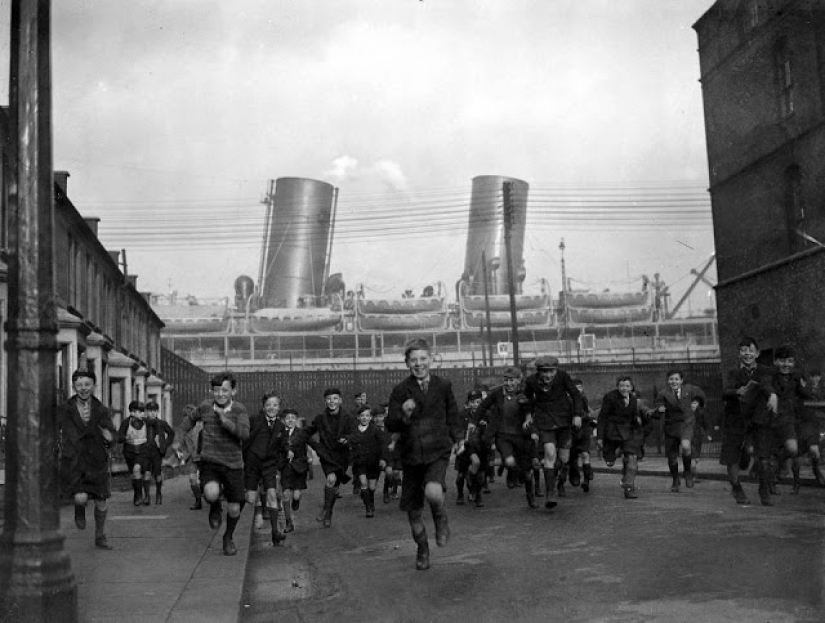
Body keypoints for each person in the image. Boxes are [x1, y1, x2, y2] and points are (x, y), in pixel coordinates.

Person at [386, 338, 461, 571]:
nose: (419, 364)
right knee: (414, 513)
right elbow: (391, 424)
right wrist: (404, 414)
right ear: (407, 363)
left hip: (437, 449)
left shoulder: (443, 385)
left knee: (433, 490)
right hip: (410, 455)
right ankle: (422, 549)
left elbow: (453, 414)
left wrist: (459, 439)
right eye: (413, 360)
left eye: (422, 359)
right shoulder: (400, 391)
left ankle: (440, 518)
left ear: (431, 359)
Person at [174, 372, 250, 556]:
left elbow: (245, 434)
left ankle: (228, 537)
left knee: (234, 509)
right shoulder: (205, 406)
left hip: (233, 464)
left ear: (234, 391)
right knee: (210, 493)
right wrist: (178, 440)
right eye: (217, 390)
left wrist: (226, 423)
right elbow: (187, 422)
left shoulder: (239, 410)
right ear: (212, 391)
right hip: (210, 461)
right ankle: (215, 506)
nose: (221, 394)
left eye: (225, 390)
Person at [56, 369, 117, 549]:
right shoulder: (65, 409)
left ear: (94, 386)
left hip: (96, 460)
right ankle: (79, 510)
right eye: (79, 385)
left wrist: (110, 436)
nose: (84, 388)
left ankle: (100, 536)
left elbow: (112, 433)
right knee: (81, 497)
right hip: (73, 460)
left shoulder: (101, 409)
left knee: (101, 500)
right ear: (74, 386)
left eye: (87, 384)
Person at [523, 356, 583, 504]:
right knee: (550, 452)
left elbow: (576, 395)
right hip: (544, 420)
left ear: (556, 370)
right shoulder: (531, 381)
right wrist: (528, 415)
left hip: (564, 420)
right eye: (544, 372)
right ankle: (550, 493)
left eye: (551, 371)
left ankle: (557, 477)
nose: (548, 375)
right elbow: (527, 399)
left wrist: (577, 415)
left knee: (563, 458)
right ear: (539, 372)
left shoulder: (563, 376)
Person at [718, 337, 771, 504]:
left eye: (750, 350)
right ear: (739, 353)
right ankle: (736, 487)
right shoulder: (734, 373)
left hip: (757, 420)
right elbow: (725, 392)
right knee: (732, 457)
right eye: (743, 350)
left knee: (763, 457)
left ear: (757, 353)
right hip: (735, 419)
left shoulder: (765, 371)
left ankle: (764, 488)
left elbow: (769, 385)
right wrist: (737, 391)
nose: (747, 354)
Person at [478, 366, 539, 509]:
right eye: (506, 380)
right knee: (510, 460)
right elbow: (482, 407)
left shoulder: (525, 395)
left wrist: (531, 426)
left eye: (512, 380)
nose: (509, 383)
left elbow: (532, 411)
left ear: (519, 381)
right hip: (503, 435)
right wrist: (473, 422)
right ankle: (511, 472)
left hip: (521, 437)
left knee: (528, 473)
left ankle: (531, 497)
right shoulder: (497, 394)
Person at [304, 387, 356, 528]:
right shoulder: (320, 418)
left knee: (335, 487)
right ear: (325, 401)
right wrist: (316, 446)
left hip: (342, 456)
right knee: (331, 479)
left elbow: (355, 433)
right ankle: (327, 513)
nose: (332, 401)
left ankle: (327, 509)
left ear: (340, 400)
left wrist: (347, 439)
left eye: (335, 398)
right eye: (329, 399)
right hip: (327, 456)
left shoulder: (348, 418)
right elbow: (307, 432)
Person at [243, 391, 286, 546]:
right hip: (252, 464)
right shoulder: (254, 420)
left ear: (279, 407)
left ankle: (275, 532)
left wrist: (285, 457)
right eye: (268, 405)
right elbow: (244, 439)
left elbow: (283, 447)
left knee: (272, 495)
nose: (271, 408)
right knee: (250, 497)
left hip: (269, 465)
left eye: (275, 405)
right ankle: (251, 526)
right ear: (263, 407)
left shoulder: (281, 426)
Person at [653, 370, 706, 492]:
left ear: (681, 381)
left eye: (676, 379)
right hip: (671, 426)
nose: (674, 382)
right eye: (671, 379)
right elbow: (658, 404)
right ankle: (675, 479)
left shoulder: (690, 389)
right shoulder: (663, 393)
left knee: (686, 446)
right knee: (672, 458)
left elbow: (701, 395)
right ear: (668, 381)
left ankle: (687, 472)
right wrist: (660, 408)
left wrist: (696, 402)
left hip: (686, 423)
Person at [597, 376, 649, 499]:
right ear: (617, 386)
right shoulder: (610, 397)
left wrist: (639, 421)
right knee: (610, 462)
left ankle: (629, 487)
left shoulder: (634, 399)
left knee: (632, 458)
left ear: (631, 387)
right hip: (613, 432)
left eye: (627, 386)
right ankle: (615, 453)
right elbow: (602, 417)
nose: (624, 388)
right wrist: (600, 437)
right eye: (621, 386)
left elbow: (636, 415)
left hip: (629, 432)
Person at [343, 405, 385, 517]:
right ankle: (368, 509)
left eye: (367, 415)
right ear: (358, 417)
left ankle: (370, 501)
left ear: (371, 417)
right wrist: (346, 441)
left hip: (373, 462)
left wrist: (382, 459)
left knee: (371, 487)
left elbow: (382, 445)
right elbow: (350, 439)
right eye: (362, 415)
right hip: (360, 462)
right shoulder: (354, 430)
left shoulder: (376, 430)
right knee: (363, 482)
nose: (364, 418)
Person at [279, 408, 311, 533]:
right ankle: (288, 522)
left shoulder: (301, 433)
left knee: (296, 494)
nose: (290, 420)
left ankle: (296, 500)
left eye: (293, 418)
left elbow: (310, 444)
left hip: (299, 468)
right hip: (286, 468)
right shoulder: (280, 434)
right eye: (288, 418)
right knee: (286, 494)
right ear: (283, 420)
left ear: (296, 420)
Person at [118, 401, 152, 506]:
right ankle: (137, 494)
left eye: (143, 412)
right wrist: (125, 437)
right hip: (130, 452)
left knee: (137, 469)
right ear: (132, 412)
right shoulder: (125, 423)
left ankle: (141, 496)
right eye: (140, 412)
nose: (142, 414)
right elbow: (119, 437)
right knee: (134, 474)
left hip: (142, 451)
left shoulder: (146, 422)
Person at [566, 378, 596, 494]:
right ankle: (575, 476)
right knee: (572, 457)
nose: (578, 391)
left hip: (583, 431)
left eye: (580, 388)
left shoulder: (583, 399)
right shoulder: (567, 401)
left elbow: (587, 412)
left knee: (584, 453)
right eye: (576, 389)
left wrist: (589, 418)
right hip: (571, 432)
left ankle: (587, 479)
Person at [455, 389, 483, 505]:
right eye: (472, 402)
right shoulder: (463, 414)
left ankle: (477, 494)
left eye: (478, 401)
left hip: (479, 448)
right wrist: (460, 442)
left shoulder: (486, 414)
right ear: (469, 403)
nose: (475, 404)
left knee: (480, 475)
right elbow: (458, 430)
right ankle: (460, 494)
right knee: (461, 475)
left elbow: (491, 431)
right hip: (465, 448)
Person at [145, 401, 175, 505]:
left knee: (157, 473)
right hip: (146, 452)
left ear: (157, 411)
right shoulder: (144, 424)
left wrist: (165, 444)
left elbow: (171, 433)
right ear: (147, 412)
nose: (152, 413)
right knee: (147, 473)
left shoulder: (162, 423)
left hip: (157, 452)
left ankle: (158, 493)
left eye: (154, 411)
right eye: (150, 411)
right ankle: (147, 496)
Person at [175, 403, 204, 510]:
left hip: (204, 458)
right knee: (192, 480)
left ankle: (216, 503)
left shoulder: (203, 428)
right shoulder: (185, 432)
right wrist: (181, 456)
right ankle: (198, 501)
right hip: (192, 459)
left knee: (207, 481)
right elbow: (184, 446)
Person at [688, 397, 711, 484]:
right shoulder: (686, 413)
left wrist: (708, 434)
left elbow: (706, 424)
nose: (693, 405)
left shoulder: (701, 413)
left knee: (696, 458)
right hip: (689, 437)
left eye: (695, 403)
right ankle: (693, 476)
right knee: (693, 457)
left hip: (698, 437)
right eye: (692, 403)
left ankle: (690, 473)